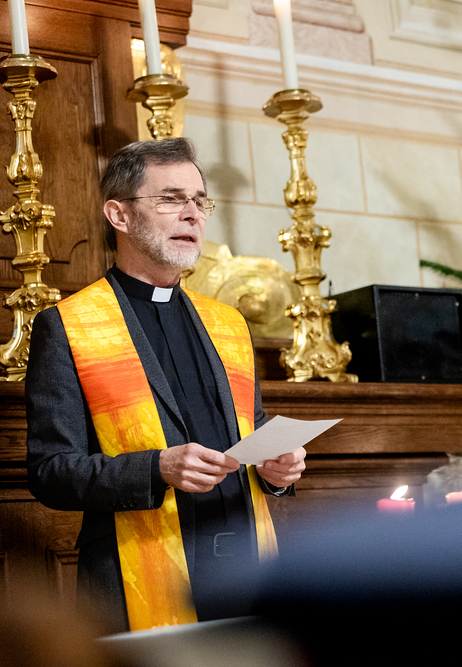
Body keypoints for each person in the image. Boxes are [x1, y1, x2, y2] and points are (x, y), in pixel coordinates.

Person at [25, 138, 306, 633]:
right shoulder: (69, 326)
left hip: (249, 569)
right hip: (139, 575)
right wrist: (156, 468)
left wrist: (277, 470)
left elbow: (253, 430)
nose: (192, 214)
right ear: (119, 215)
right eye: (171, 199)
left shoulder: (228, 324)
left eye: (199, 201)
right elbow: (51, 472)